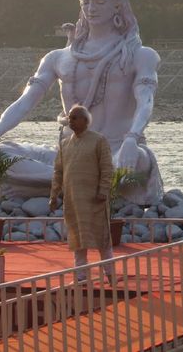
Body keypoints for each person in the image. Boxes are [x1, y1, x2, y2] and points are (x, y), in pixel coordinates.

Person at [0, 0, 163, 205]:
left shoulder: (139, 55)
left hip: (117, 151)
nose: (91, 8)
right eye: (86, 1)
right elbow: (25, 103)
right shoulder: (59, 57)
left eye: (100, 1)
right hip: (68, 154)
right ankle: (72, 181)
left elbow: (145, 101)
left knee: (138, 160)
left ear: (117, 4)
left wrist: (132, 138)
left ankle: (53, 185)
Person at [50, 104, 114, 280]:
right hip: (72, 199)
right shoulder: (64, 144)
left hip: (94, 199)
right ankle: (81, 275)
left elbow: (107, 168)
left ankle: (110, 273)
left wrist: (103, 190)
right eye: (69, 118)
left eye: (74, 117)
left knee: (102, 237)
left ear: (85, 120)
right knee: (77, 239)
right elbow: (58, 171)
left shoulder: (98, 140)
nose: (70, 121)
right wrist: (54, 195)